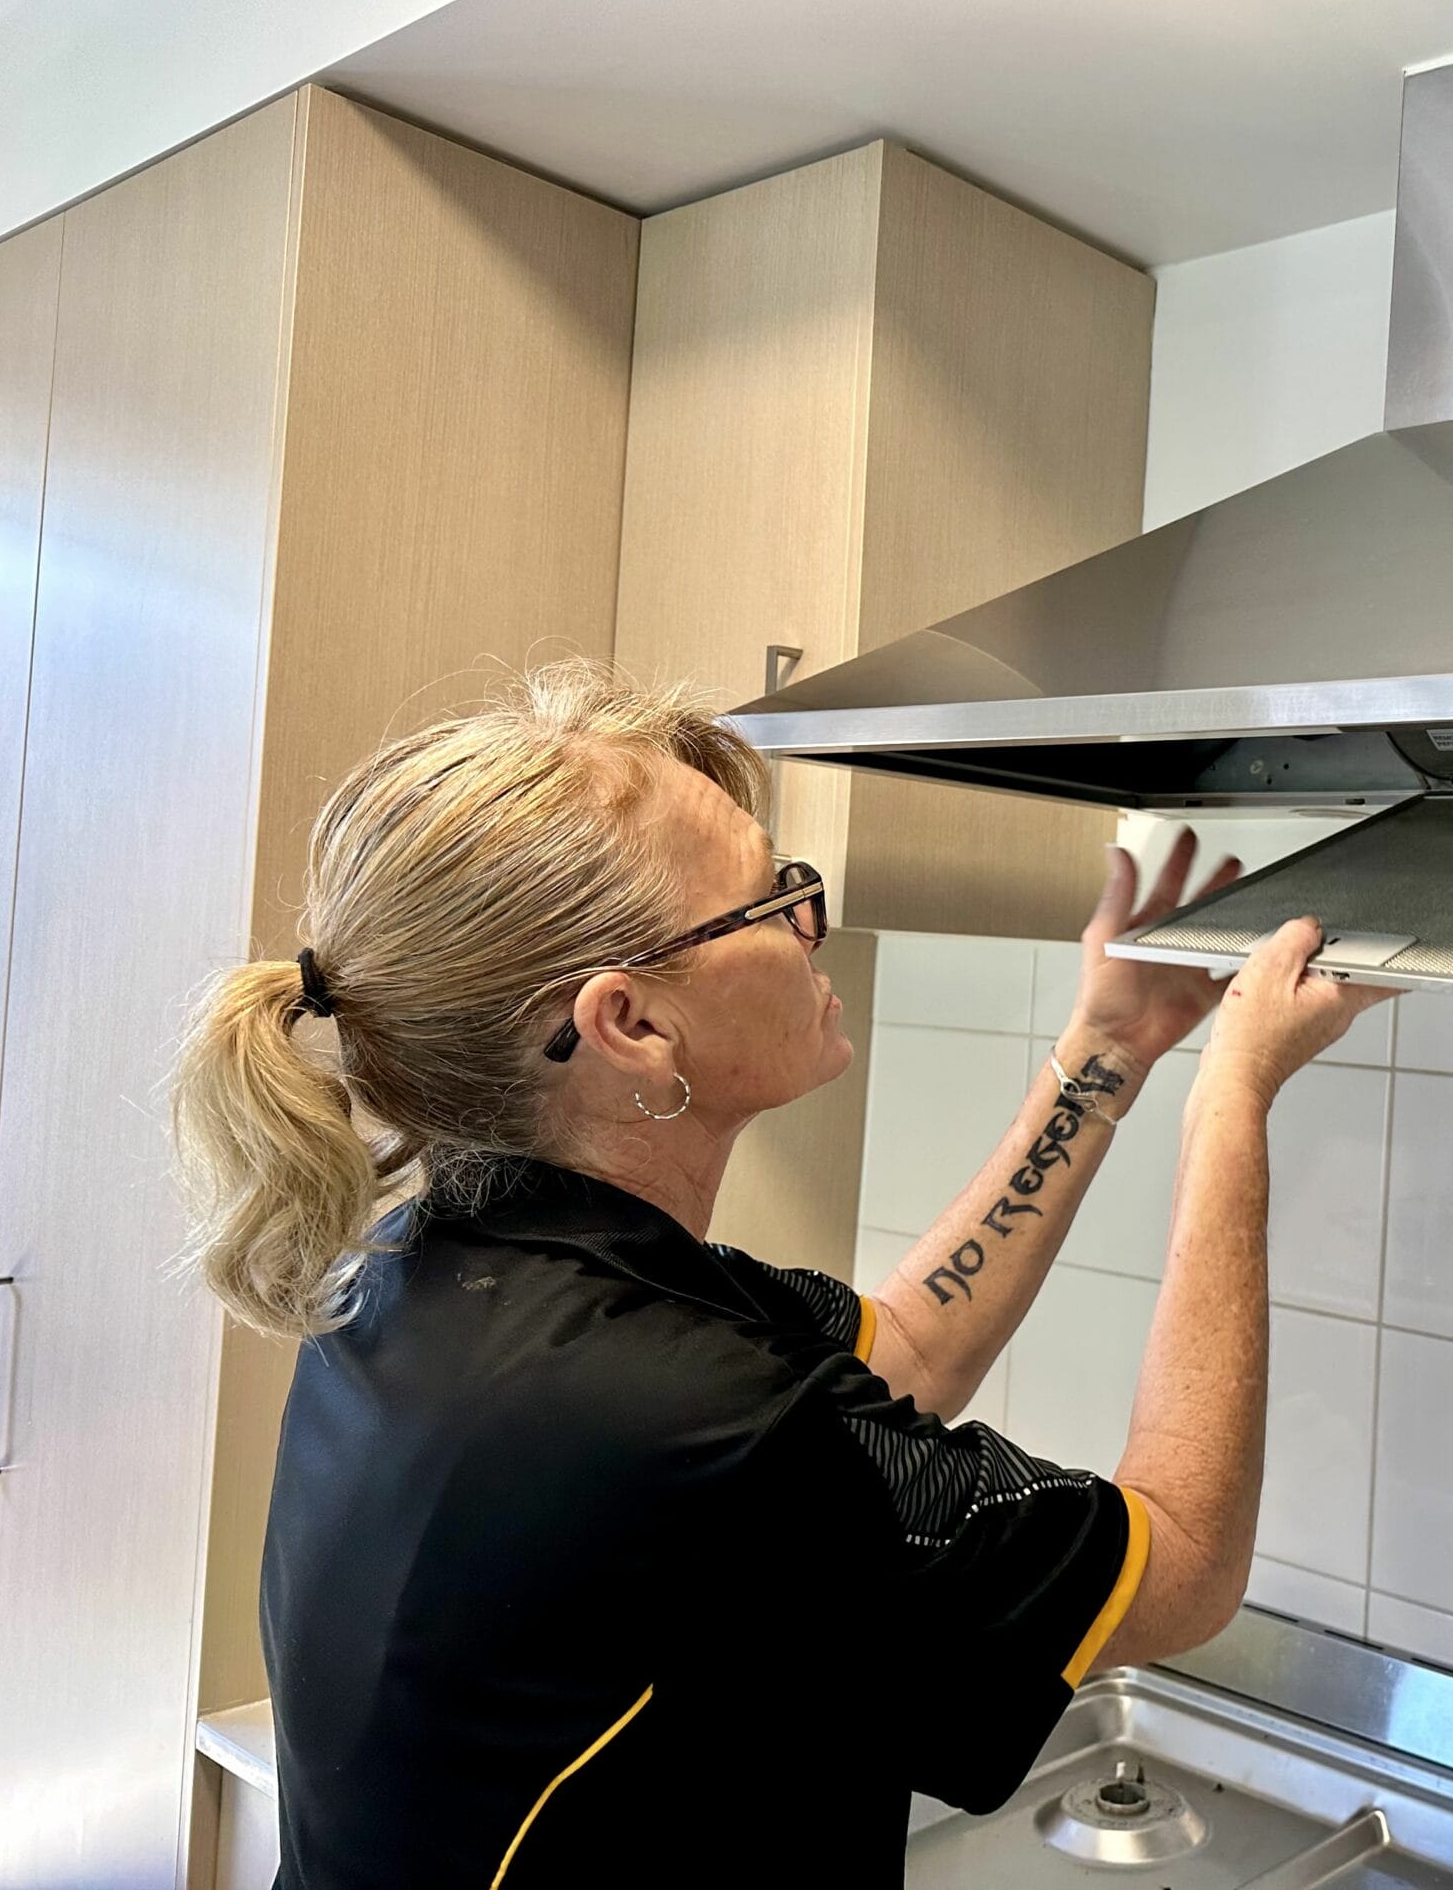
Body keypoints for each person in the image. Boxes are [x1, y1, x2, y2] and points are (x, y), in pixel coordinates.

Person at [171, 662, 1388, 1888]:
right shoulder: (687, 1415)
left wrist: (1110, 1051)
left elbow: (909, 1345)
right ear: (631, 1024)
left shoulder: (464, 1261)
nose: (812, 921)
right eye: (770, 898)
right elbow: (1181, 1569)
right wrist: (1234, 1096)